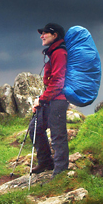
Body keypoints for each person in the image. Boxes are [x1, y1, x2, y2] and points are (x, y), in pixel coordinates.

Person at [33, 23, 70, 175]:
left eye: (45, 33)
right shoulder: (53, 53)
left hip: (58, 100)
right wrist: (42, 99)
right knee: (34, 128)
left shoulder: (59, 53)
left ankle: (60, 173)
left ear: (55, 35)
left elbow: (58, 81)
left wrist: (41, 100)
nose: (41, 35)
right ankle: (46, 163)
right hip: (51, 99)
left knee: (57, 135)